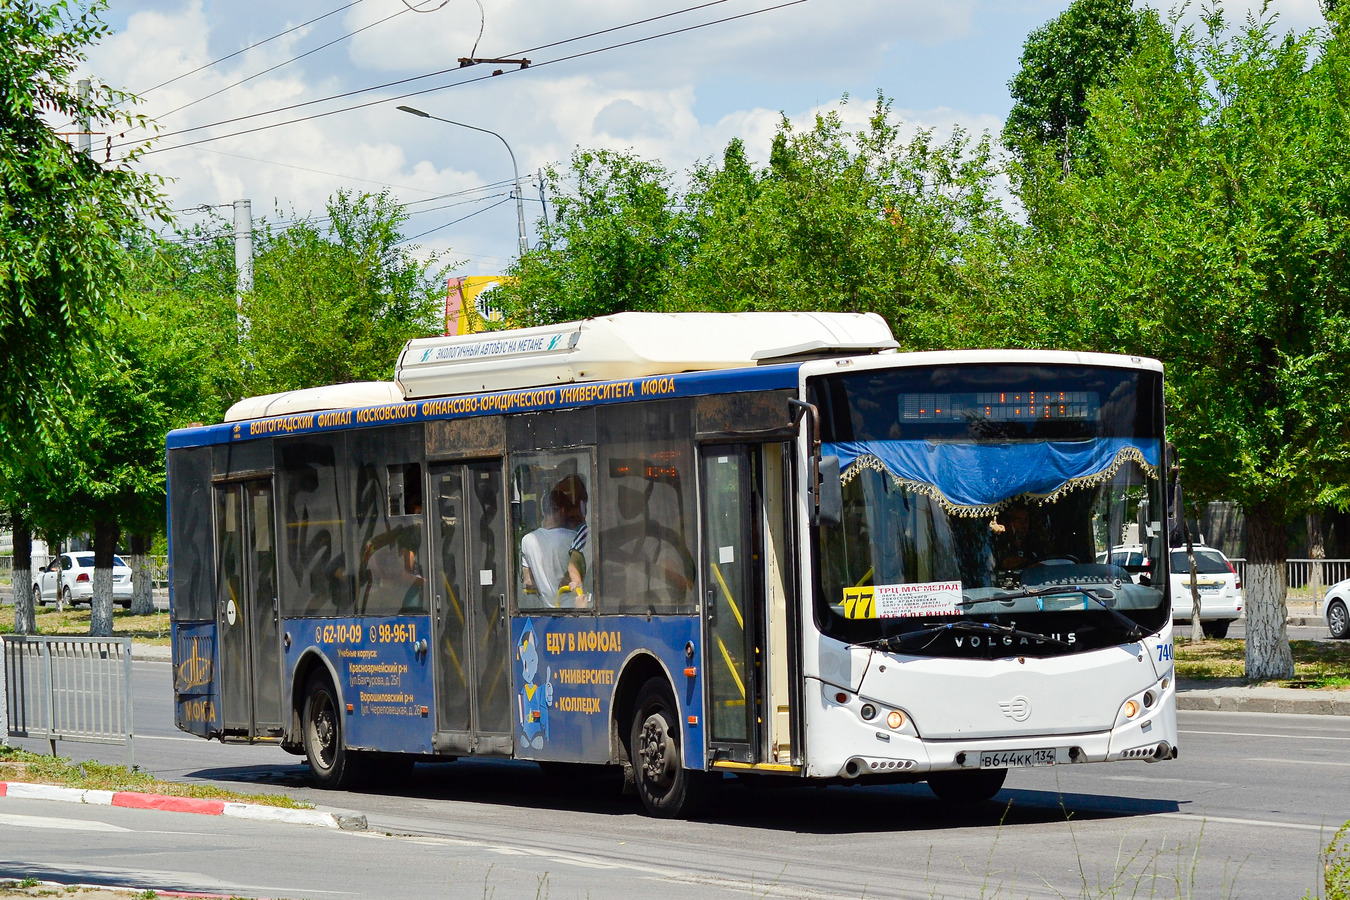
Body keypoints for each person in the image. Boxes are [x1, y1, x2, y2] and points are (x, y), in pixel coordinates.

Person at [520, 473, 589, 608]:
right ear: (563, 511)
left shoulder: (527, 540)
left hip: (547, 611)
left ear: (545, 511)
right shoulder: (573, 537)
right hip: (573, 608)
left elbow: (528, 582)